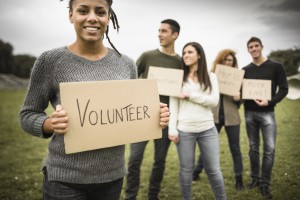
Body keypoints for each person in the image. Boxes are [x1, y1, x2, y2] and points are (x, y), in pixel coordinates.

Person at [19, 0, 170, 199]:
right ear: (71, 15)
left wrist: (154, 116)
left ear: (108, 17)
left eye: (100, 12)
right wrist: (49, 123)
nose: (92, 18)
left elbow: (129, 114)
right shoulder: (50, 61)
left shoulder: (126, 64)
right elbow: (27, 114)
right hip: (65, 180)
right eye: (83, 11)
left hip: (112, 178)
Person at [125, 19, 181, 200]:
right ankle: (130, 196)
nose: (159, 34)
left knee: (160, 161)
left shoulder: (180, 62)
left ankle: (153, 195)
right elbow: (129, 80)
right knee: (134, 160)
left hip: (165, 118)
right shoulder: (147, 56)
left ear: (175, 35)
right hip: (142, 117)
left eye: (164, 31)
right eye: (158, 30)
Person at [169, 42, 226, 200]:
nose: (186, 55)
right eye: (184, 52)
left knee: (214, 170)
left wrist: (190, 96)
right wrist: (172, 130)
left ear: (199, 55)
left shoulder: (211, 77)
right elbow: (173, 105)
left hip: (207, 129)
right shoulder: (178, 79)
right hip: (184, 131)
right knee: (186, 170)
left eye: (190, 52)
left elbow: (214, 101)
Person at [192, 49, 244, 191]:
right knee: (207, 147)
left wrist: (239, 98)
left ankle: (239, 179)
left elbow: (241, 101)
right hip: (212, 117)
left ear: (233, 63)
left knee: (235, 148)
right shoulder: (211, 76)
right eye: (225, 60)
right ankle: (196, 172)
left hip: (232, 118)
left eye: (230, 60)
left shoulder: (238, 78)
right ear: (220, 61)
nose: (227, 62)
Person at [243, 37, 288, 199]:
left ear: (262, 47)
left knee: (269, 150)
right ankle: (255, 179)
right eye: (250, 47)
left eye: (256, 46)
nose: (254, 49)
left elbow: (284, 89)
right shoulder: (244, 70)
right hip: (249, 113)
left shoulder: (276, 67)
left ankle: (265, 184)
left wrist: (270, 101)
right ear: (248, 50)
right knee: (253, 148)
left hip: (268, 113)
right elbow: (242, 92)